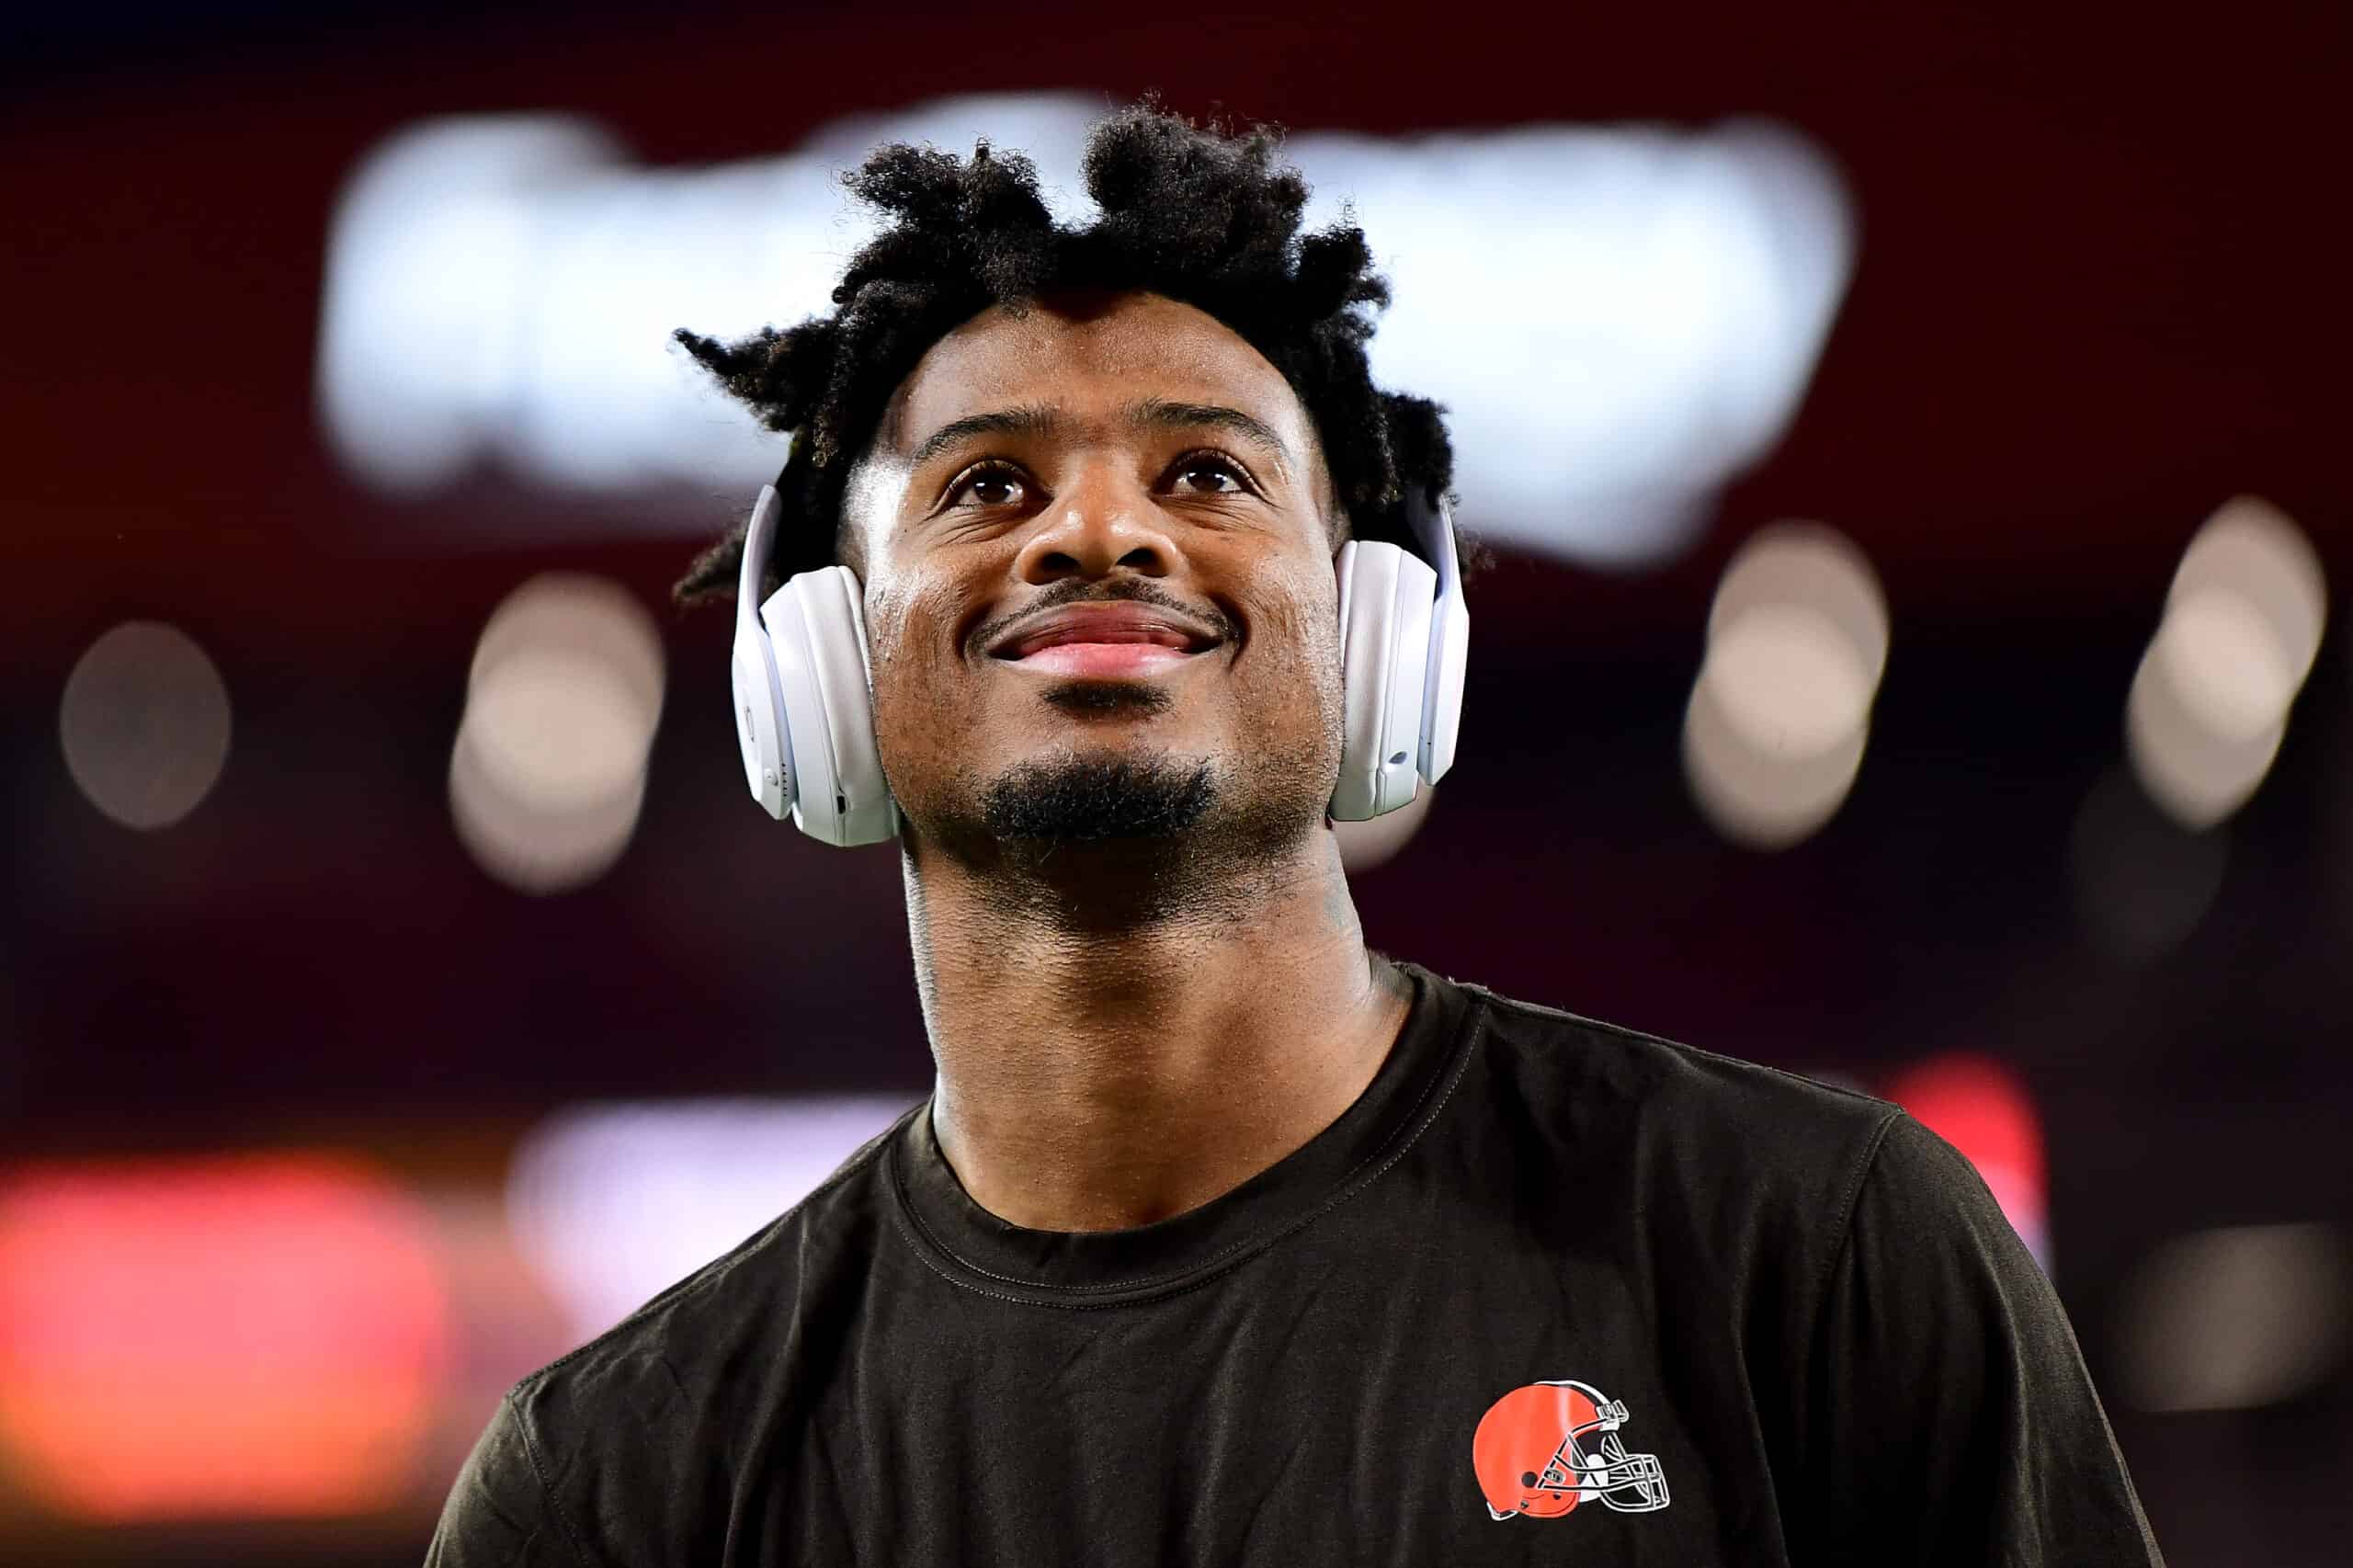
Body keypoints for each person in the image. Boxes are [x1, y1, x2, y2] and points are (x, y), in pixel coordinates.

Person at [427, 104, 2163, 1565]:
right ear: (812, 656)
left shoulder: (1816, 1252)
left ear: (1386, 628)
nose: (1095, 530)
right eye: (984, 485)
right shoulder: (616, 1488)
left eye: (1207, 474)